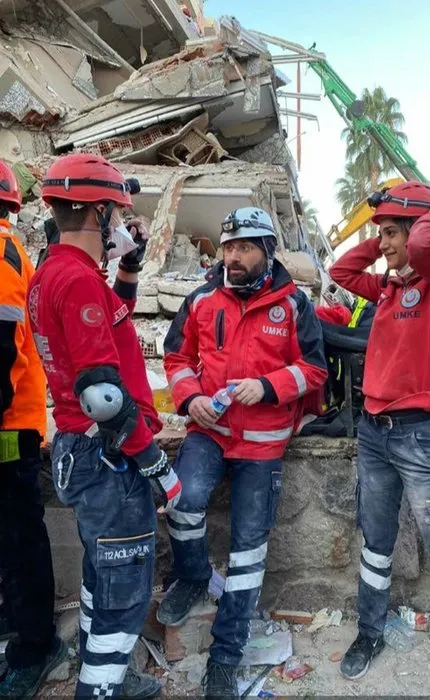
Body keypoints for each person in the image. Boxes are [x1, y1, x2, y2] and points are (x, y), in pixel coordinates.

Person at [27, 153, 182, 700]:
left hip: (79, 450)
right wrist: (156, 462)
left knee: (100, 575)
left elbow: (108, 319)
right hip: (109, 456)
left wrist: (130, 267)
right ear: (96, 214)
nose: (118, 222)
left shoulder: (56, 273)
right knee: (124, 588)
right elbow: (102, 396)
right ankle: (100, 687)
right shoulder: (76, 280)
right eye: (114, 213)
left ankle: (106, 671)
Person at [330, 182, 430, 699]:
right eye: (384, 235)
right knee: (375, 545)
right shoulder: (392, 288)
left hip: (423, 437)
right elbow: (340, 272)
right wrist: (384, 240)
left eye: (393, 232)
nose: (389, 243)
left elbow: (424, 247)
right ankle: (370, 634)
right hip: (375, 433)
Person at [161, 207, 328, 698]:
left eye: (244, 248)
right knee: (182, 502)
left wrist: (268, 386)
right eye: (228, 247)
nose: (232, 256)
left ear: (267, 251)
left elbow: (315, 371)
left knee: (248, 551)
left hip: (263, 446)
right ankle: (192, 577)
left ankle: (225, 657)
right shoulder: (202, 298)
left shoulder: (295, 305)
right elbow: (176, 356)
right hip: (208, 434)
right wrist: (191, 398)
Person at [0, 160, 66, 697]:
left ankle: (36, 643)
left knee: (19, 533)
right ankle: (16, 617)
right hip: (12, 419)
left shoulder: (2, 253)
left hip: (8, 425)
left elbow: (2, 349)